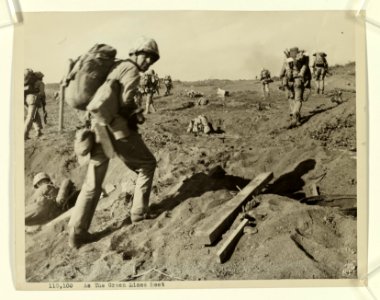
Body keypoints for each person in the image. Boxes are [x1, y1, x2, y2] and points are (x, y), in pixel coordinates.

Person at [68, 36, 160, 249]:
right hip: (116, 131)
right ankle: (139, 212)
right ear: (135, 53)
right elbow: (126, 103)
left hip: (97, 129)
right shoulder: (132, 71)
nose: (148, 63)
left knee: (92, 183)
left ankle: (76, 232)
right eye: (146, 56)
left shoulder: (117, 66)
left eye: (151, 60)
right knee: (147, 164)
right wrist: (136, 115)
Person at [279, 47, 309, 128]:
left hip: (288, 82)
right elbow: (307, 70)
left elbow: (281, 73)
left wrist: (282, 77)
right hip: (298, 81)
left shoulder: (287, 59)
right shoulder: (302, 60)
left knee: (291, 98)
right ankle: (296, 115)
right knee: (298, 100)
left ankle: (294, 114)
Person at [24, 70, 47, 139]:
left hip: (27, 99)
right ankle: (24, 134)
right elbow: (42, 93)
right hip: (34, 99)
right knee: (30, 117)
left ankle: (38, 131)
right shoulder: (41, 83)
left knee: (35, 116)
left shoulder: (30, 83)